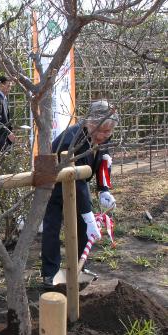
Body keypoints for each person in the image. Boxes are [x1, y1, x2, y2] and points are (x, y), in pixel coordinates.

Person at [41, 100, 119, 287]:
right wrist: (89, 215)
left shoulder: (102, 135)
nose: (104, 136)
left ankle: (78, 267)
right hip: (50, 178)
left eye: (108, 131)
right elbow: (78, 178)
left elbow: (102, 160)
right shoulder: (72, 140)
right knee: (52, 225)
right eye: (101, 130)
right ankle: (49, 274)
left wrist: (103, 190)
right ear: (89, 123)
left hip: (75, 180)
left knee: (83, 225)